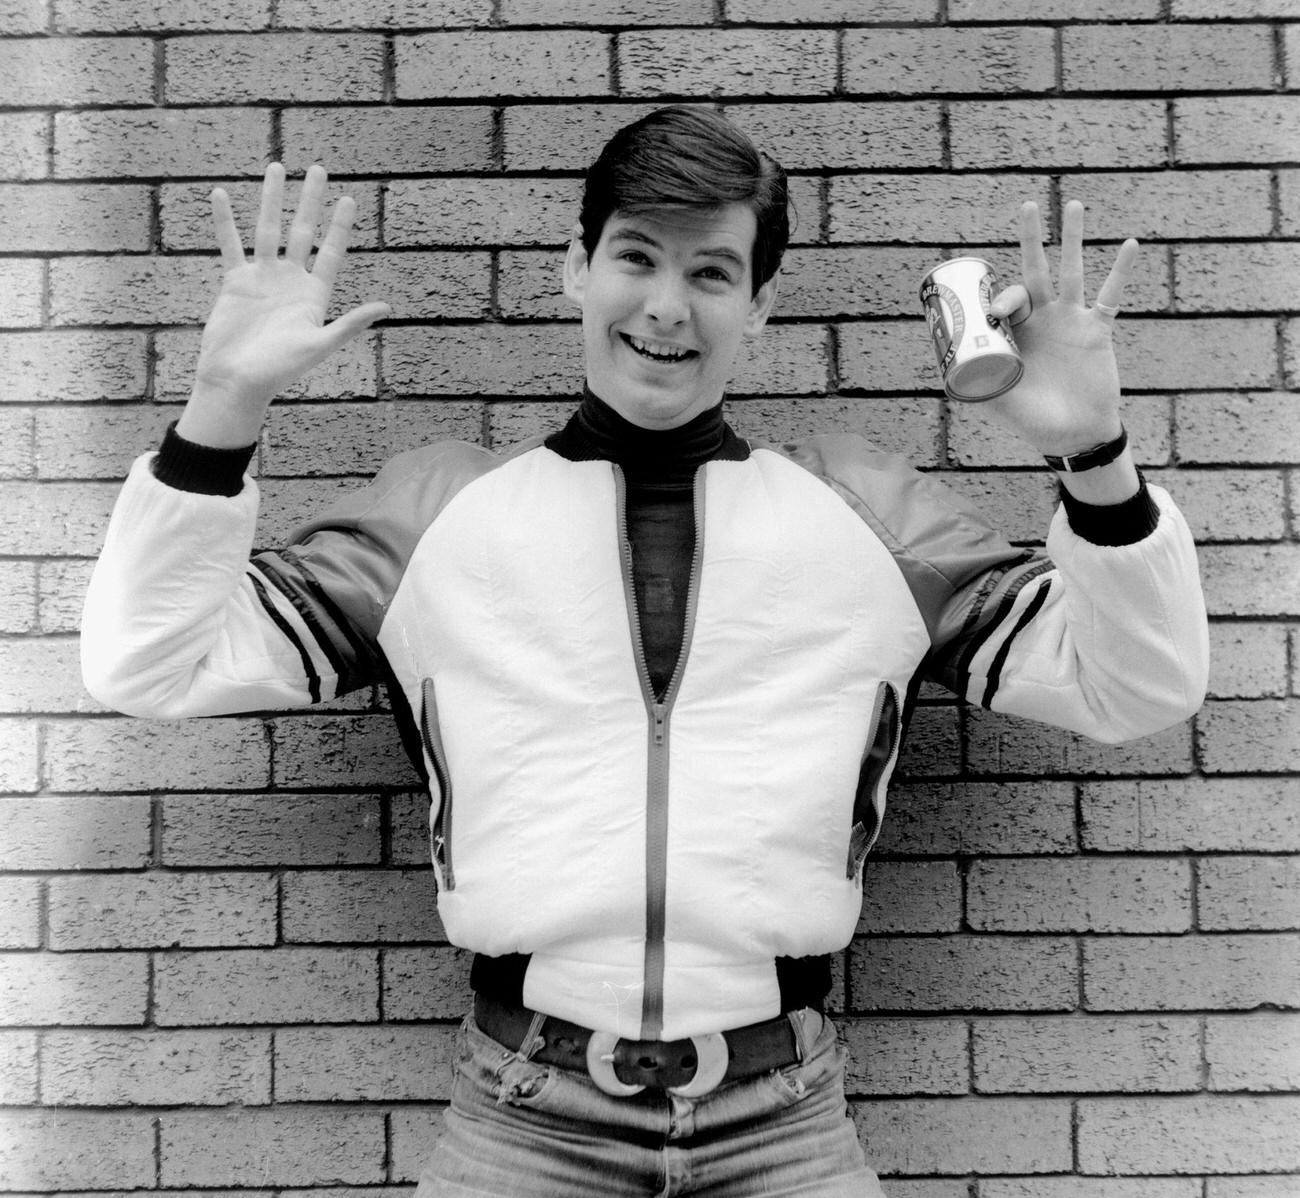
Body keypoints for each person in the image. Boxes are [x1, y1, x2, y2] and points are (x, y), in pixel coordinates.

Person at [81, 106, 1209, 1197]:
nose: (668, 306)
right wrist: (223, 404)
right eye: (636, 258)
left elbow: (1137, 684)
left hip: (786, 1122)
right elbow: (149, 664)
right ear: (577, 267)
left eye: (712, 272)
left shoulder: (871, 514)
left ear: (761, 303)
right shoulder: (431, 516)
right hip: (520, 1119)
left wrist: (1095, 459)